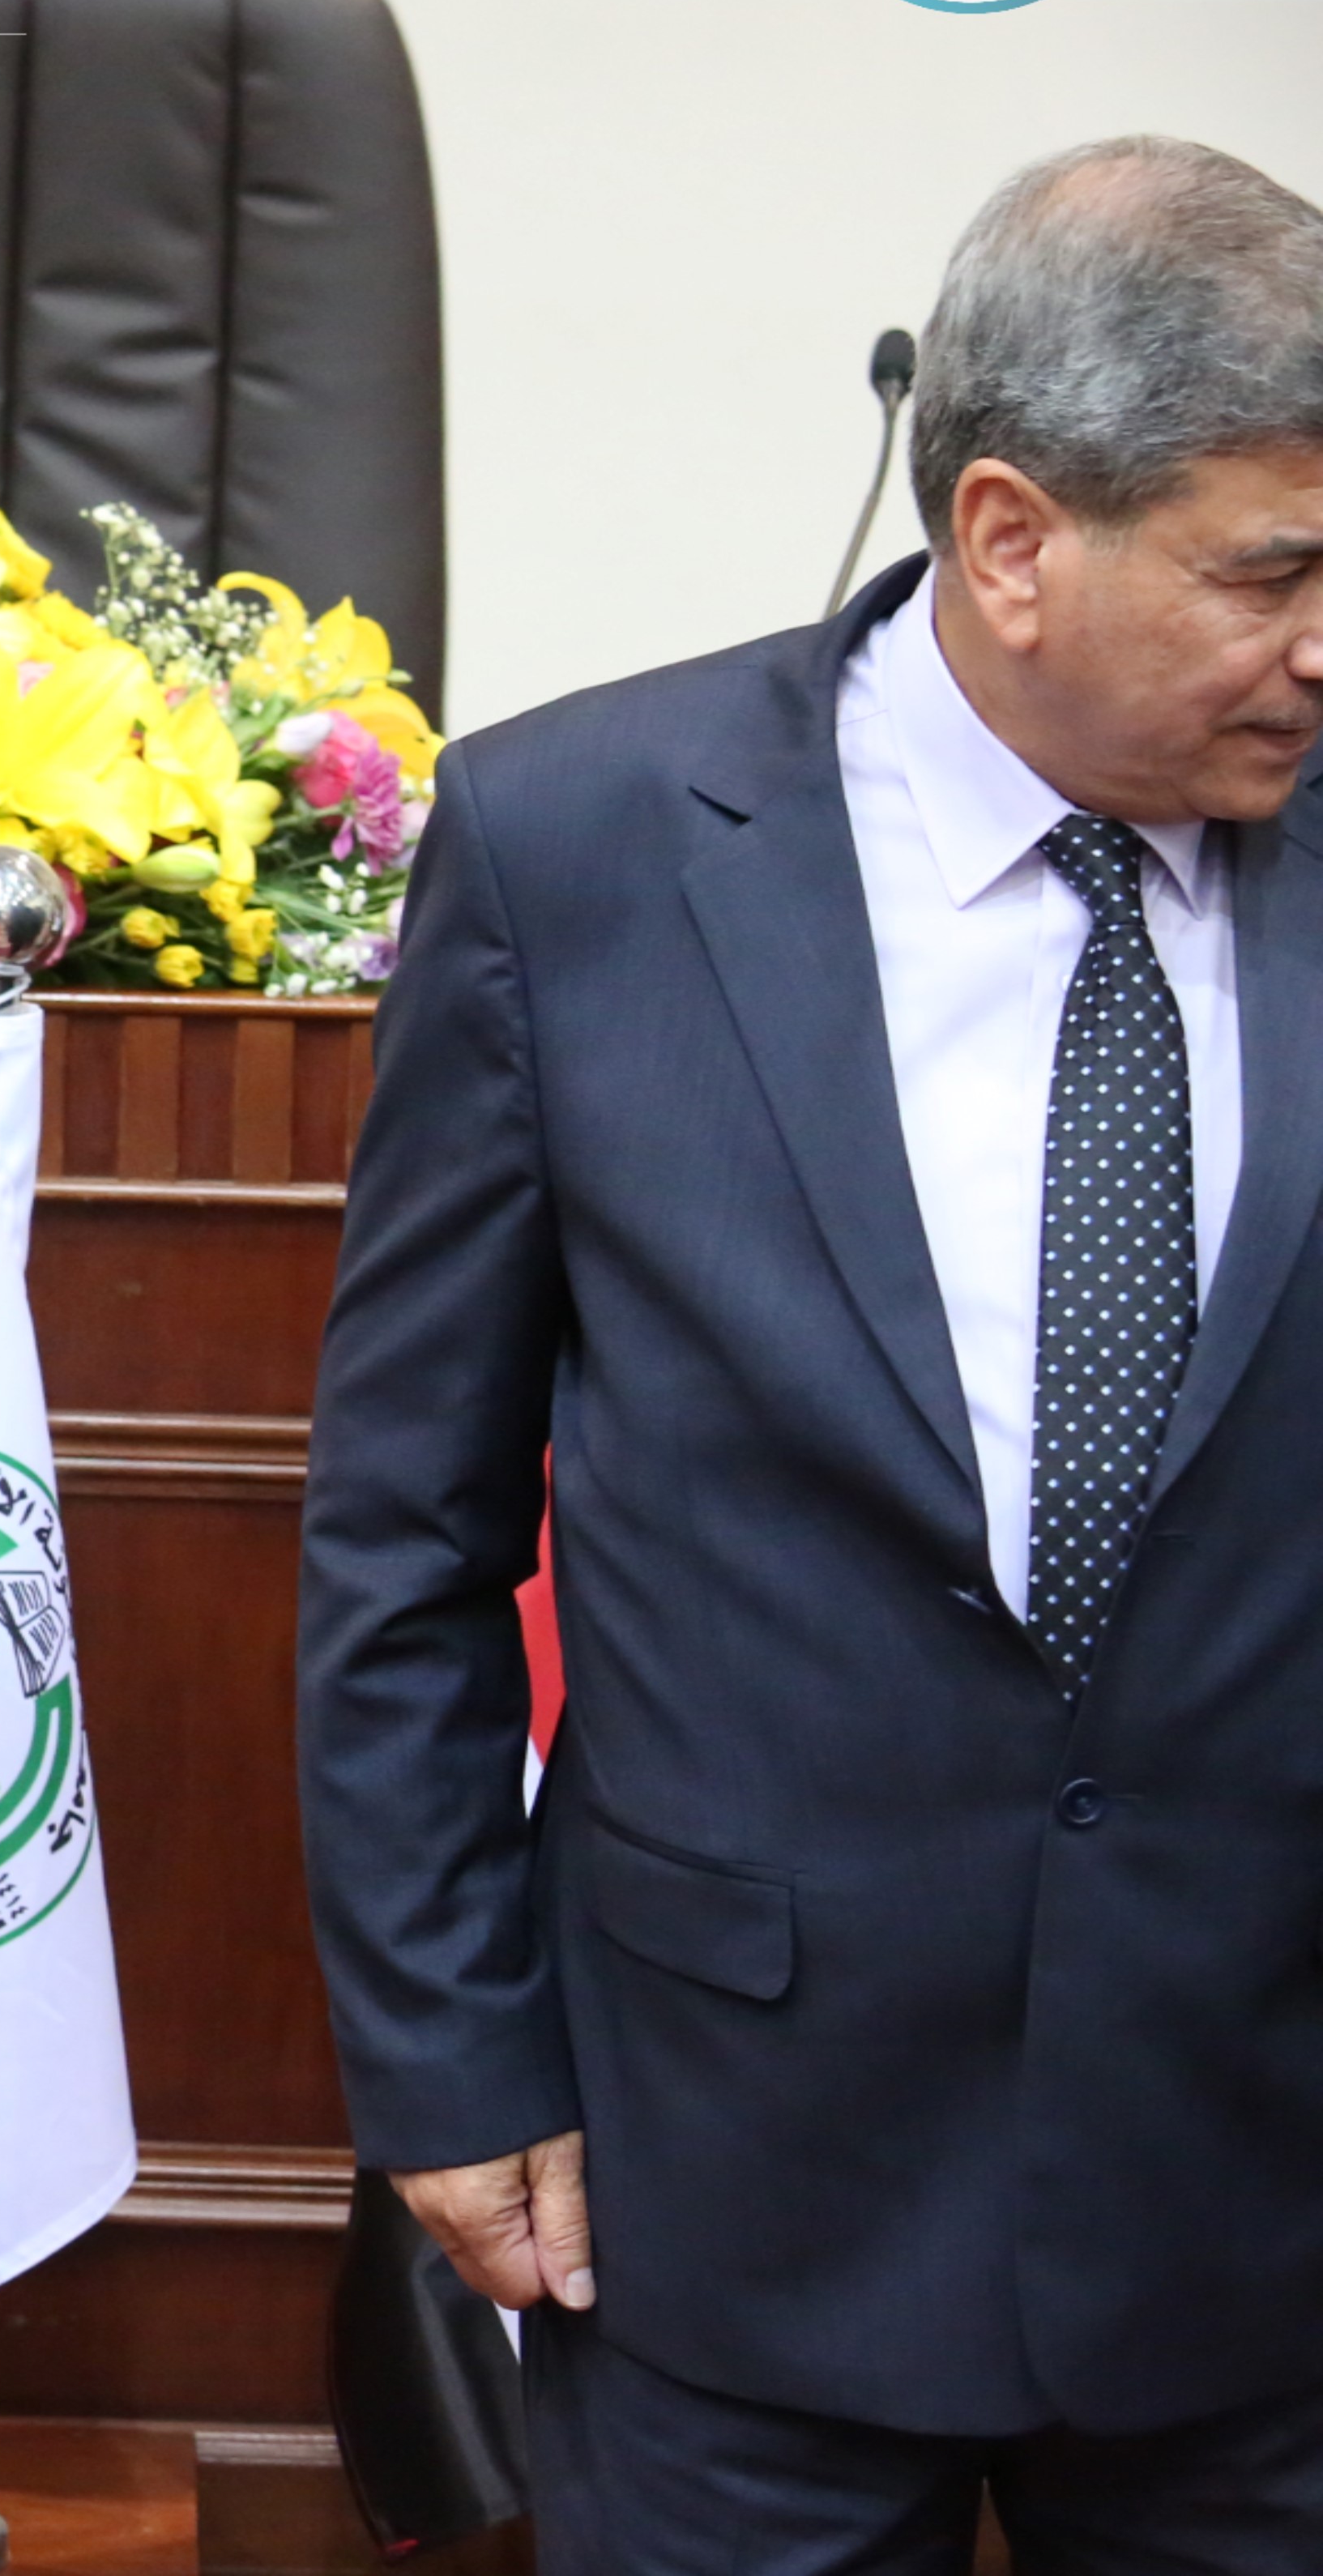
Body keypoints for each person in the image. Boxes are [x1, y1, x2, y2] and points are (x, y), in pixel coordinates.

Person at [303, 137, 1323, 2570]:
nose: (1322, 642)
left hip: (1261, 2195)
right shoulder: (579, 843)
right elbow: (403, 1526)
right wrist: (444, 2056)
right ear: (1009, 538)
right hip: (719, 2181)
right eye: (1269, 572)